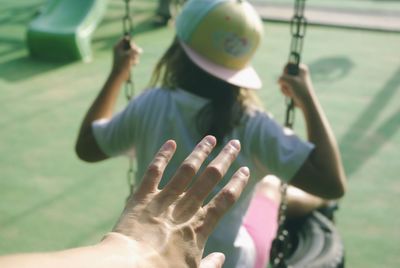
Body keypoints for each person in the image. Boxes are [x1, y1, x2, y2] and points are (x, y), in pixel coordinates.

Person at [75, 0, 346, 267]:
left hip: (156, 259)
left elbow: (87, 146)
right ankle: (315, 202)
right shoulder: (253, 123)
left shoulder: (150, 104)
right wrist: (306, 99)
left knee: (263, 184)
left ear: (178, 48)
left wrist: (118, 73)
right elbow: (332, 184)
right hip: (232, 262)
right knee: (271, 185)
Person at [0, 136, 250, 268]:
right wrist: (144, 257)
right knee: (270, 190)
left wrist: (130, 250)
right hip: (239, 253)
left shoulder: (152, 100)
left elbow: (87, 146)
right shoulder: (260, 125)